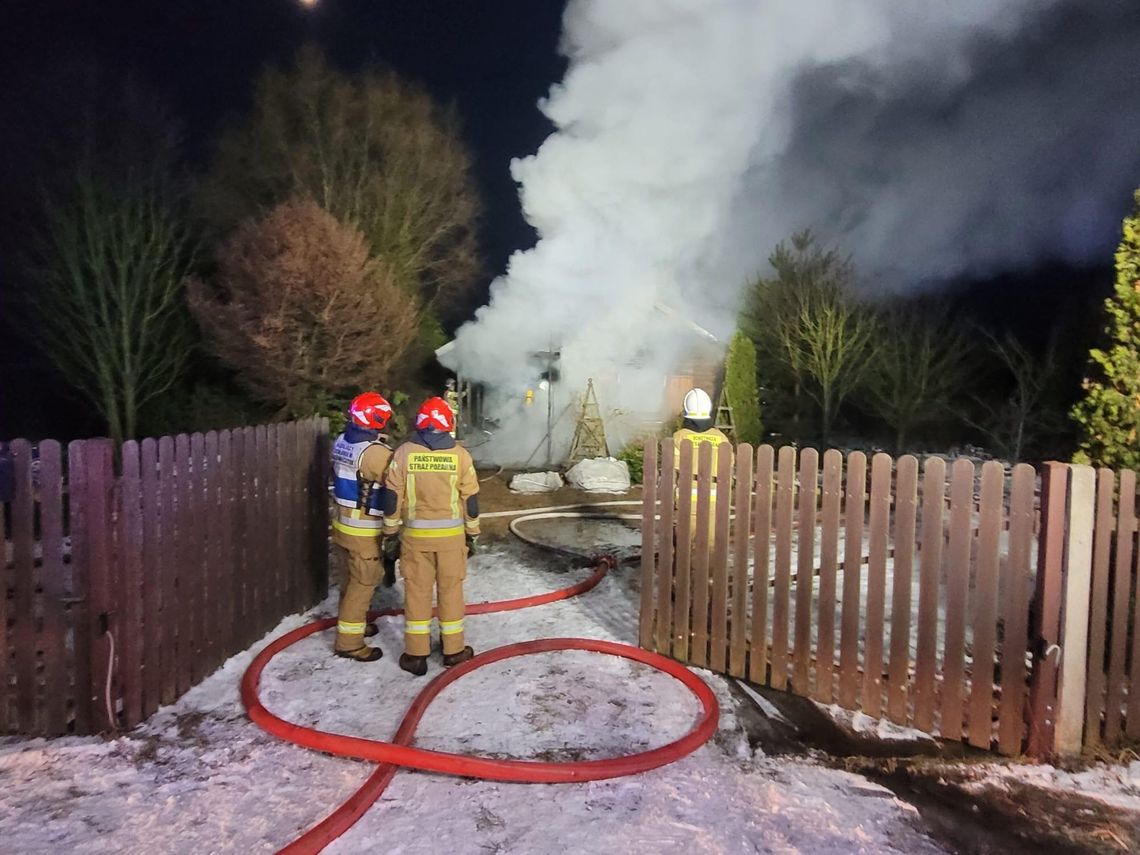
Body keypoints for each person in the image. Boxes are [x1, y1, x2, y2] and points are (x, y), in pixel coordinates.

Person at [381, 397, 480, 676]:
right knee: (451, 592)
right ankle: (454, 650)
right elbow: (470, 500)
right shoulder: (460, 456)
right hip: (451, 540)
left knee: (417, 593)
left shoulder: (403, 454)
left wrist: (390, 532)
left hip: (415, 539)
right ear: (448, 423)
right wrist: (472, 534)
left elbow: (392, 496)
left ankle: (415, 655)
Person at [330, 392, 395, 662]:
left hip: (343, 526)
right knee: (364, 583)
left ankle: (354, 623)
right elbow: (396, 483)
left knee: (349, 580)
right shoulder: (377, 455)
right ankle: (350, 642)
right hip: (364, 531)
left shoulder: (342, 441)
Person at [672, 388, 730, 546]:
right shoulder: (721, 438)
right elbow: (728, 465)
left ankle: (684, 571)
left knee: (685, 545)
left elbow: (674, 467)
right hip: (716, 500)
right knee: (711, 545)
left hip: (687, 499)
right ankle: (709, 572)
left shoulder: (680, 437)